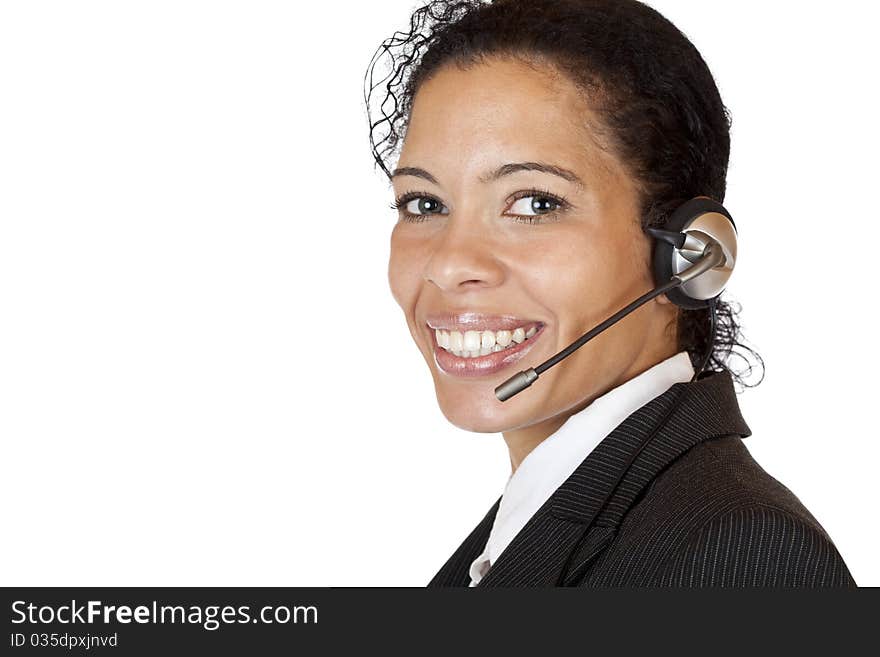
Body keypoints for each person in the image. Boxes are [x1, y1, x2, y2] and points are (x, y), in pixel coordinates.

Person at [364, 0, 855, 586]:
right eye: (425, 204)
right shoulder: (536, 531)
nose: (449, 265)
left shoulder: (741, 555)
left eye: (535, 204)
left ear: (689, 255)